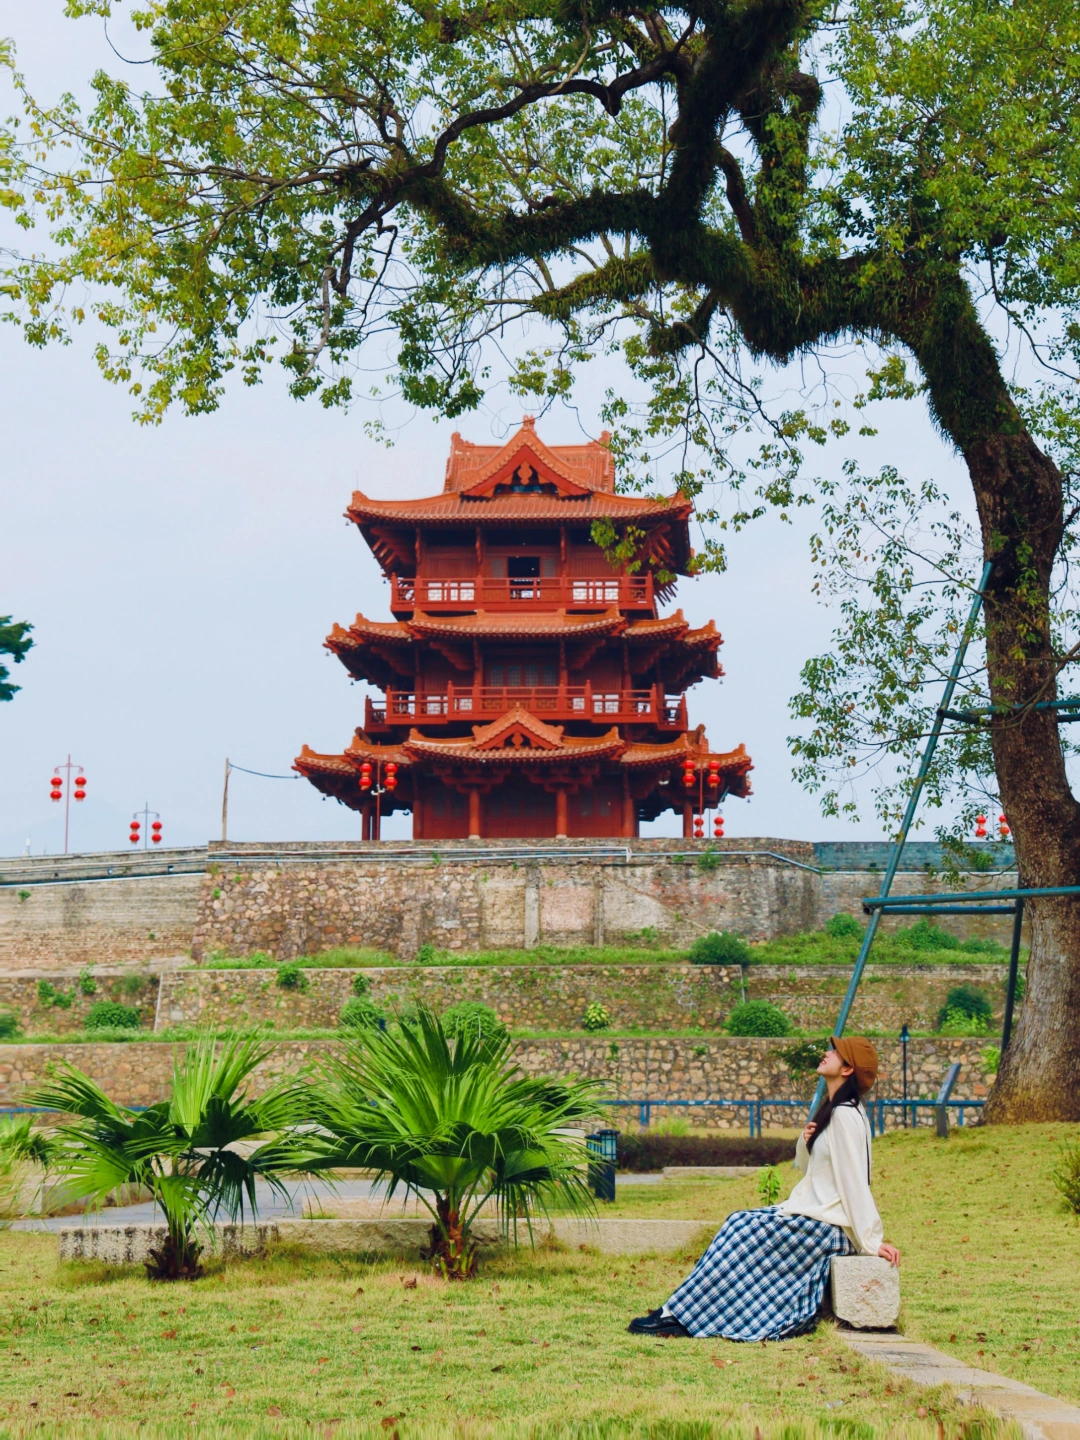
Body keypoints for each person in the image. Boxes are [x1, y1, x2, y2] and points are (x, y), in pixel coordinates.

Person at [628, 1035, 901, 1340]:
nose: (826, 1053)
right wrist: (806, 1141)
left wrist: (870, 1241)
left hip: (827, 1228)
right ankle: (677, 1312)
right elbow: (811, 1169)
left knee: (738, 1228)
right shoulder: (836, 1110)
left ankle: (680, 1316)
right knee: (737, 1225)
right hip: (816, 1219)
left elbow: (855, 1181)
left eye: (835, 1052)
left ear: (847, 1070)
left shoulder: (845, 1115)